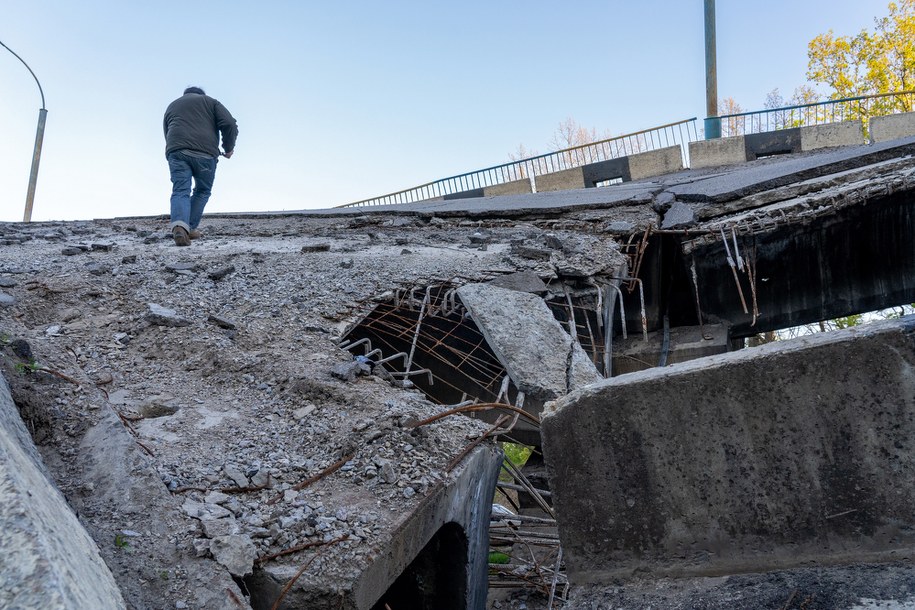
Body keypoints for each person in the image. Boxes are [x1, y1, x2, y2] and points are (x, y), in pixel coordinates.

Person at [163, 86, 238, 246]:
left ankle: (180, 227)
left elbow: (167, 132)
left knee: (180, 190)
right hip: (205, 153)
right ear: (202, 94)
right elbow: (230, 123)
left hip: (177, 151)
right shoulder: (210, 102)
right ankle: (188, 226)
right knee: (203, 190)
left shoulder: (172, 105)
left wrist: (174, 149)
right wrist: (228, 148)